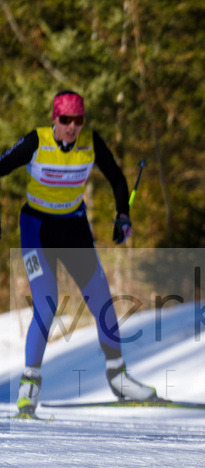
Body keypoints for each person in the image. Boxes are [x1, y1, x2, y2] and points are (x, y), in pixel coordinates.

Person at [0, 90, 156, 416]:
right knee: (47, 303)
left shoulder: (91, 143)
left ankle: (118, 376)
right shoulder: (36, 142)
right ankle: (30, 384)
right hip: (38, 229)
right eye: (65, 120)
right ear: (54, 119)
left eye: (78, 120)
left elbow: (116, 177)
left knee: (101, 298)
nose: (72, 127)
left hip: (73, 227)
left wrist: (122, 216)